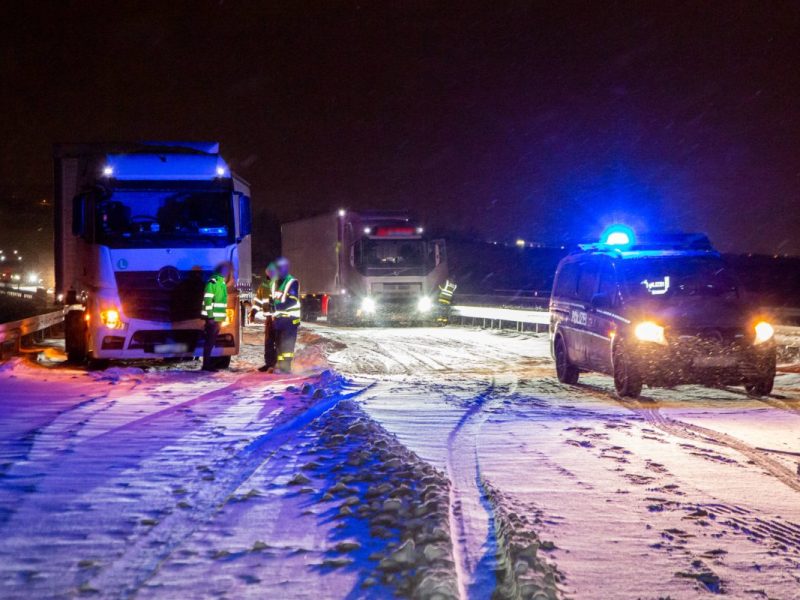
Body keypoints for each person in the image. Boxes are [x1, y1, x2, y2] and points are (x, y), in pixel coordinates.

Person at [271, 257, 301, 373]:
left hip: (290, 320)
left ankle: (286, 367)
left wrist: (276, 307)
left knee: (287, 345)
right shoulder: (275, 283)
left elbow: (292, 300)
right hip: (279, 319)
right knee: (279, 344)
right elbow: (273, 299)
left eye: (280, 269)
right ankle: (281, 366)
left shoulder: (292, 282)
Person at [201, 262, 231, 371]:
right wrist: (210, 317)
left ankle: (208, 364)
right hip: (212, 319)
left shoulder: (221, 282)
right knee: (209, 342)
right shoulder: (213, 282)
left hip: (217, 319)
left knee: (212, 342)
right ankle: (206, 365)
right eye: (226, 270)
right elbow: (207, 300)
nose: (228, 272)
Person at [256, 262, 279, 372]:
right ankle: (269, 363)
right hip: (269, 318)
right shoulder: (264, 285)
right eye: (270, 273)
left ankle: (276, 364)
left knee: (278, 342)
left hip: (278, 318)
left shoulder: (279, 284)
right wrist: (253, 312)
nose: (271, 274)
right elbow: (258, 300)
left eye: (273, 273)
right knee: (269, 342)